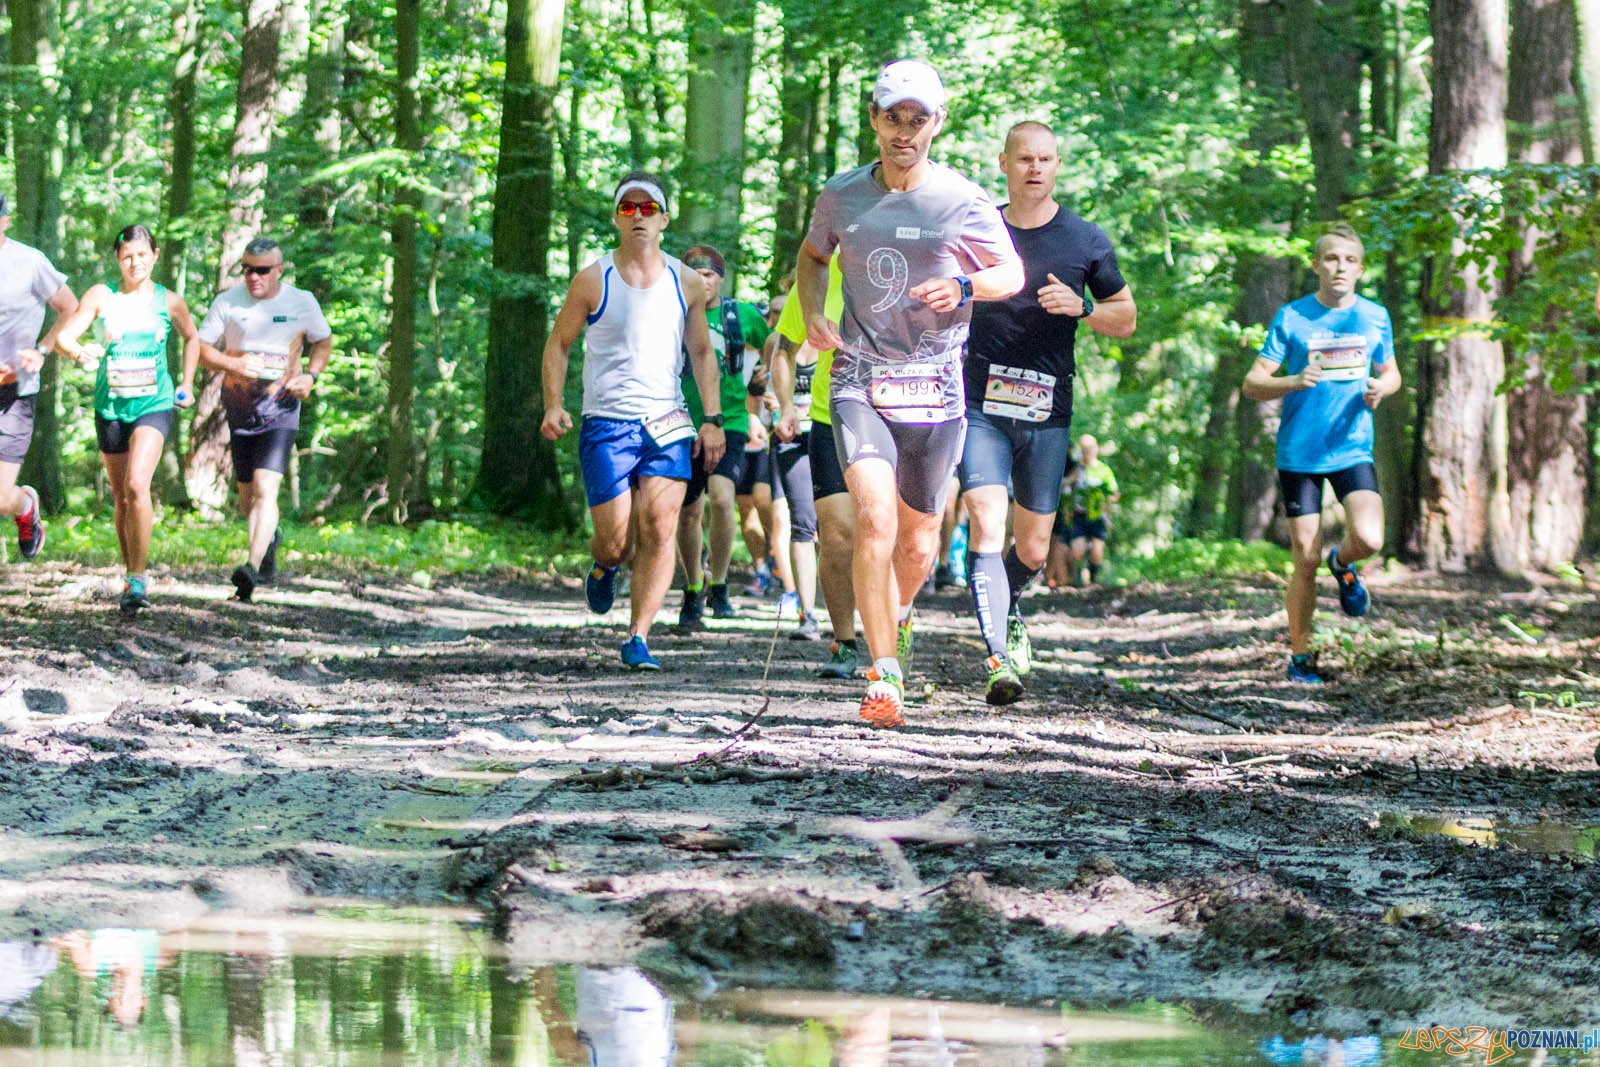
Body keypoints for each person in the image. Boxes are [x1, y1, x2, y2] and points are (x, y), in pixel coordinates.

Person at [797, 59, 1023, 726]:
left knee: (920, 545)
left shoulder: (963, 199)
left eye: (917, 118)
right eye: (892, 117)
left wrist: (963, 287)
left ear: (937, 124)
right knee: (875, 517)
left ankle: (893, 615)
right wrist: (814, 311)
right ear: (873, 119)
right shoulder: (841, 196)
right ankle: (884, 672)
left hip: (937, 385)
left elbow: (1010, 271)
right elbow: (814, 256)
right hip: (860, 376)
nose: (904, 131)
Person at [959, 121, 1136, 703]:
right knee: (985, 523)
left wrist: (1082, 308)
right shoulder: (978, 232)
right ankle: (997, 660)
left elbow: (1126, 318)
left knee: (1033, 549)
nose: (1036, 168)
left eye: (1046, 159)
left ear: (1057, 166)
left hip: (1047, 410)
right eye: (1025, 158)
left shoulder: (1084, 240)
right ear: (1005, 164)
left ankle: (1007, 605)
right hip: (979, 404)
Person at [541, 172, 725, 669]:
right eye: (629, 209)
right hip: (607, 422)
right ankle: (604, 566)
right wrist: (554, 403)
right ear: (617, 218)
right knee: (617, 540)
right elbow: (558, 344)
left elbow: (702, 352)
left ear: (664, 219)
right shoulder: (592, 278)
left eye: (649, 209)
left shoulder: (685, 281)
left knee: (661, 527)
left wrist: (713, 418)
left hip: (667, 421)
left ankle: (639, 636)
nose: (639, 217)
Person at [1242, 222, 1400, 685]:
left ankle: (1344, 564)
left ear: (1360, 268)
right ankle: (1301, 657)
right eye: (1331, 258)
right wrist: (1293, 381)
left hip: (1352, 448)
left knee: (1370, 539)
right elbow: (1252, 383)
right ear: (1316, 265)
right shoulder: (1292, 318)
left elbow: (1391, 374)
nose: (1340, 268)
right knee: (1304, 560)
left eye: (1350, 260)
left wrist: (1381, 388)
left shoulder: (1374, 316)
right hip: (1300, 454)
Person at [52, 224, 199, 615]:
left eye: (142, 255)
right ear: (118, 260)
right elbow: (66, 337)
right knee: (121, 497)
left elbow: (192, 338)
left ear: (155, 255)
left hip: (154, 403)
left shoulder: (170, 301)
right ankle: (129, 571)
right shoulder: (102, 296)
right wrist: (78, 352)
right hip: (111, 407)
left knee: (138, 484)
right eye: (127, 256)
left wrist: (186, 381)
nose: (135, 262)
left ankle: (138, 579)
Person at [196, 237, 333, 602]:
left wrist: (311, 376)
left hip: (282, 407)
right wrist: (233, 364)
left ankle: (251, 570)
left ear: (279, 270)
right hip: (240, 407)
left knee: (265, 490)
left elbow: (323, 342)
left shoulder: (301, 302)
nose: (253, 277)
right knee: (247, 498)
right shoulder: (228, 302)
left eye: (261, 270)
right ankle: (269, 539)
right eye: (247, 269)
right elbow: (200, 348)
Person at [673, 244, 769, 627]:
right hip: (681, 420)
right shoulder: (672, 314)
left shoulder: (740, 315)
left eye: (709, 275)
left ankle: (722, 584)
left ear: (720, 278)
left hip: (730, 420)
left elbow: (777, 343)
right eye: (695, 275)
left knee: (723, 498)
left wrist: (763, 375)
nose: (703, 281)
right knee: (688, 510)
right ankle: (693, 588)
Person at [774, 258, 857, 663]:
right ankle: (845, 642)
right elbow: (784, 350)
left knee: (883, 533)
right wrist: (786, 406)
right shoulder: (815, 276)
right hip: (830, 415)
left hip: (894, 417)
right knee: (836, 535)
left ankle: (892, 633)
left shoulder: (901, 258)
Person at [0, 192, 79, 560]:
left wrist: (43, 349)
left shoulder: (29, 262)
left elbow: (70, 307)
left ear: (4, 220)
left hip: (14, 392)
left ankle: (25, 505)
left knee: (1, 497)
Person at [1065, 434, 1119, 586]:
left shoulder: (1104, 470)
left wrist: (1105, 503)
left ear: (1095, 448)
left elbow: (1114, 493)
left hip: (1097, 516)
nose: (1086, 451)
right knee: (1077, 551)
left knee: (1097, 553)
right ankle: (1077, 579)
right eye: (1083, 449)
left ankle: (1093, 580)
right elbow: (1066, 485)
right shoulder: (1077, 469)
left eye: (1089, 448)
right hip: (1079, 515)